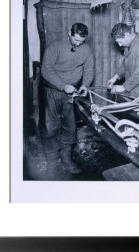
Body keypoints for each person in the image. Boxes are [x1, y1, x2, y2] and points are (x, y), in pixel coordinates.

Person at [41, 22, 94, 179]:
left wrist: (85, 85)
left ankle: (66, 159)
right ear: (69, 33)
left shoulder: (85, 49)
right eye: (76, 40)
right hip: (52, 91)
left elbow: (89, 69)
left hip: (71, 94)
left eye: (81, 41)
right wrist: (63, 86)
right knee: (51, 128)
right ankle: (51, 163)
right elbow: (46, 69)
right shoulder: (55, 46)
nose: (78, 44)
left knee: (70, 127)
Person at [107, 23, 139, 100]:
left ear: (127, 34)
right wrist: (116, 77)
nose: (119, 45)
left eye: (120, 41)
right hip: (135, 88)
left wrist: (123, 87)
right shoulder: (128, 46)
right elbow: (125, 64)